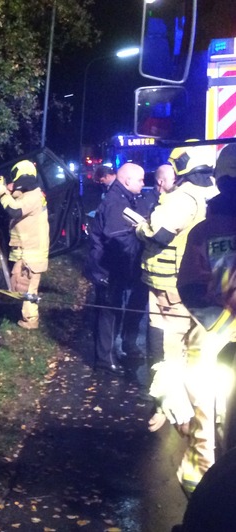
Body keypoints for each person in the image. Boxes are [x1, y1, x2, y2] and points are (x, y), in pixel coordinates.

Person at [136, 143, 220, 495]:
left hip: (170, 286)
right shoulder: (214, 194)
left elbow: (160, 234)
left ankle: (179, 419)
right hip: (204, 292)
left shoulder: (183, 197)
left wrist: (142, 227)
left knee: (171, 357)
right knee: (196, 356)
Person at [172, 145, 236, 529]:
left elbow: (191, 287)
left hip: (210, 343)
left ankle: (203, 495)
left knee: (206, 422)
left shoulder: (205, 232)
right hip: (216, 344)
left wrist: (218, 322)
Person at [85, 163, 151, 375]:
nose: (143, 183)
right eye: (140, 179)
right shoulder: (117, 203)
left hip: (111, 267)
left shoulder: (123, 199)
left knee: (112, 311)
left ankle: (108, 355)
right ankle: (105, 360)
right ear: (127, 180)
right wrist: (140, 246)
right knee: (109, 314)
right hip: (108, 268)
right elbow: (118, 237)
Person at [0, 160, 49, 330]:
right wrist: (9, 190)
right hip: (29, 252)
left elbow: (14, 209)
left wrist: (1, 190)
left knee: (27, 288)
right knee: (21, 285)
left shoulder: (33, 197)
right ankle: (28, 317)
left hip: (30, 254)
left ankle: (30, 321)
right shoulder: (33, 194)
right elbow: (18, 199)